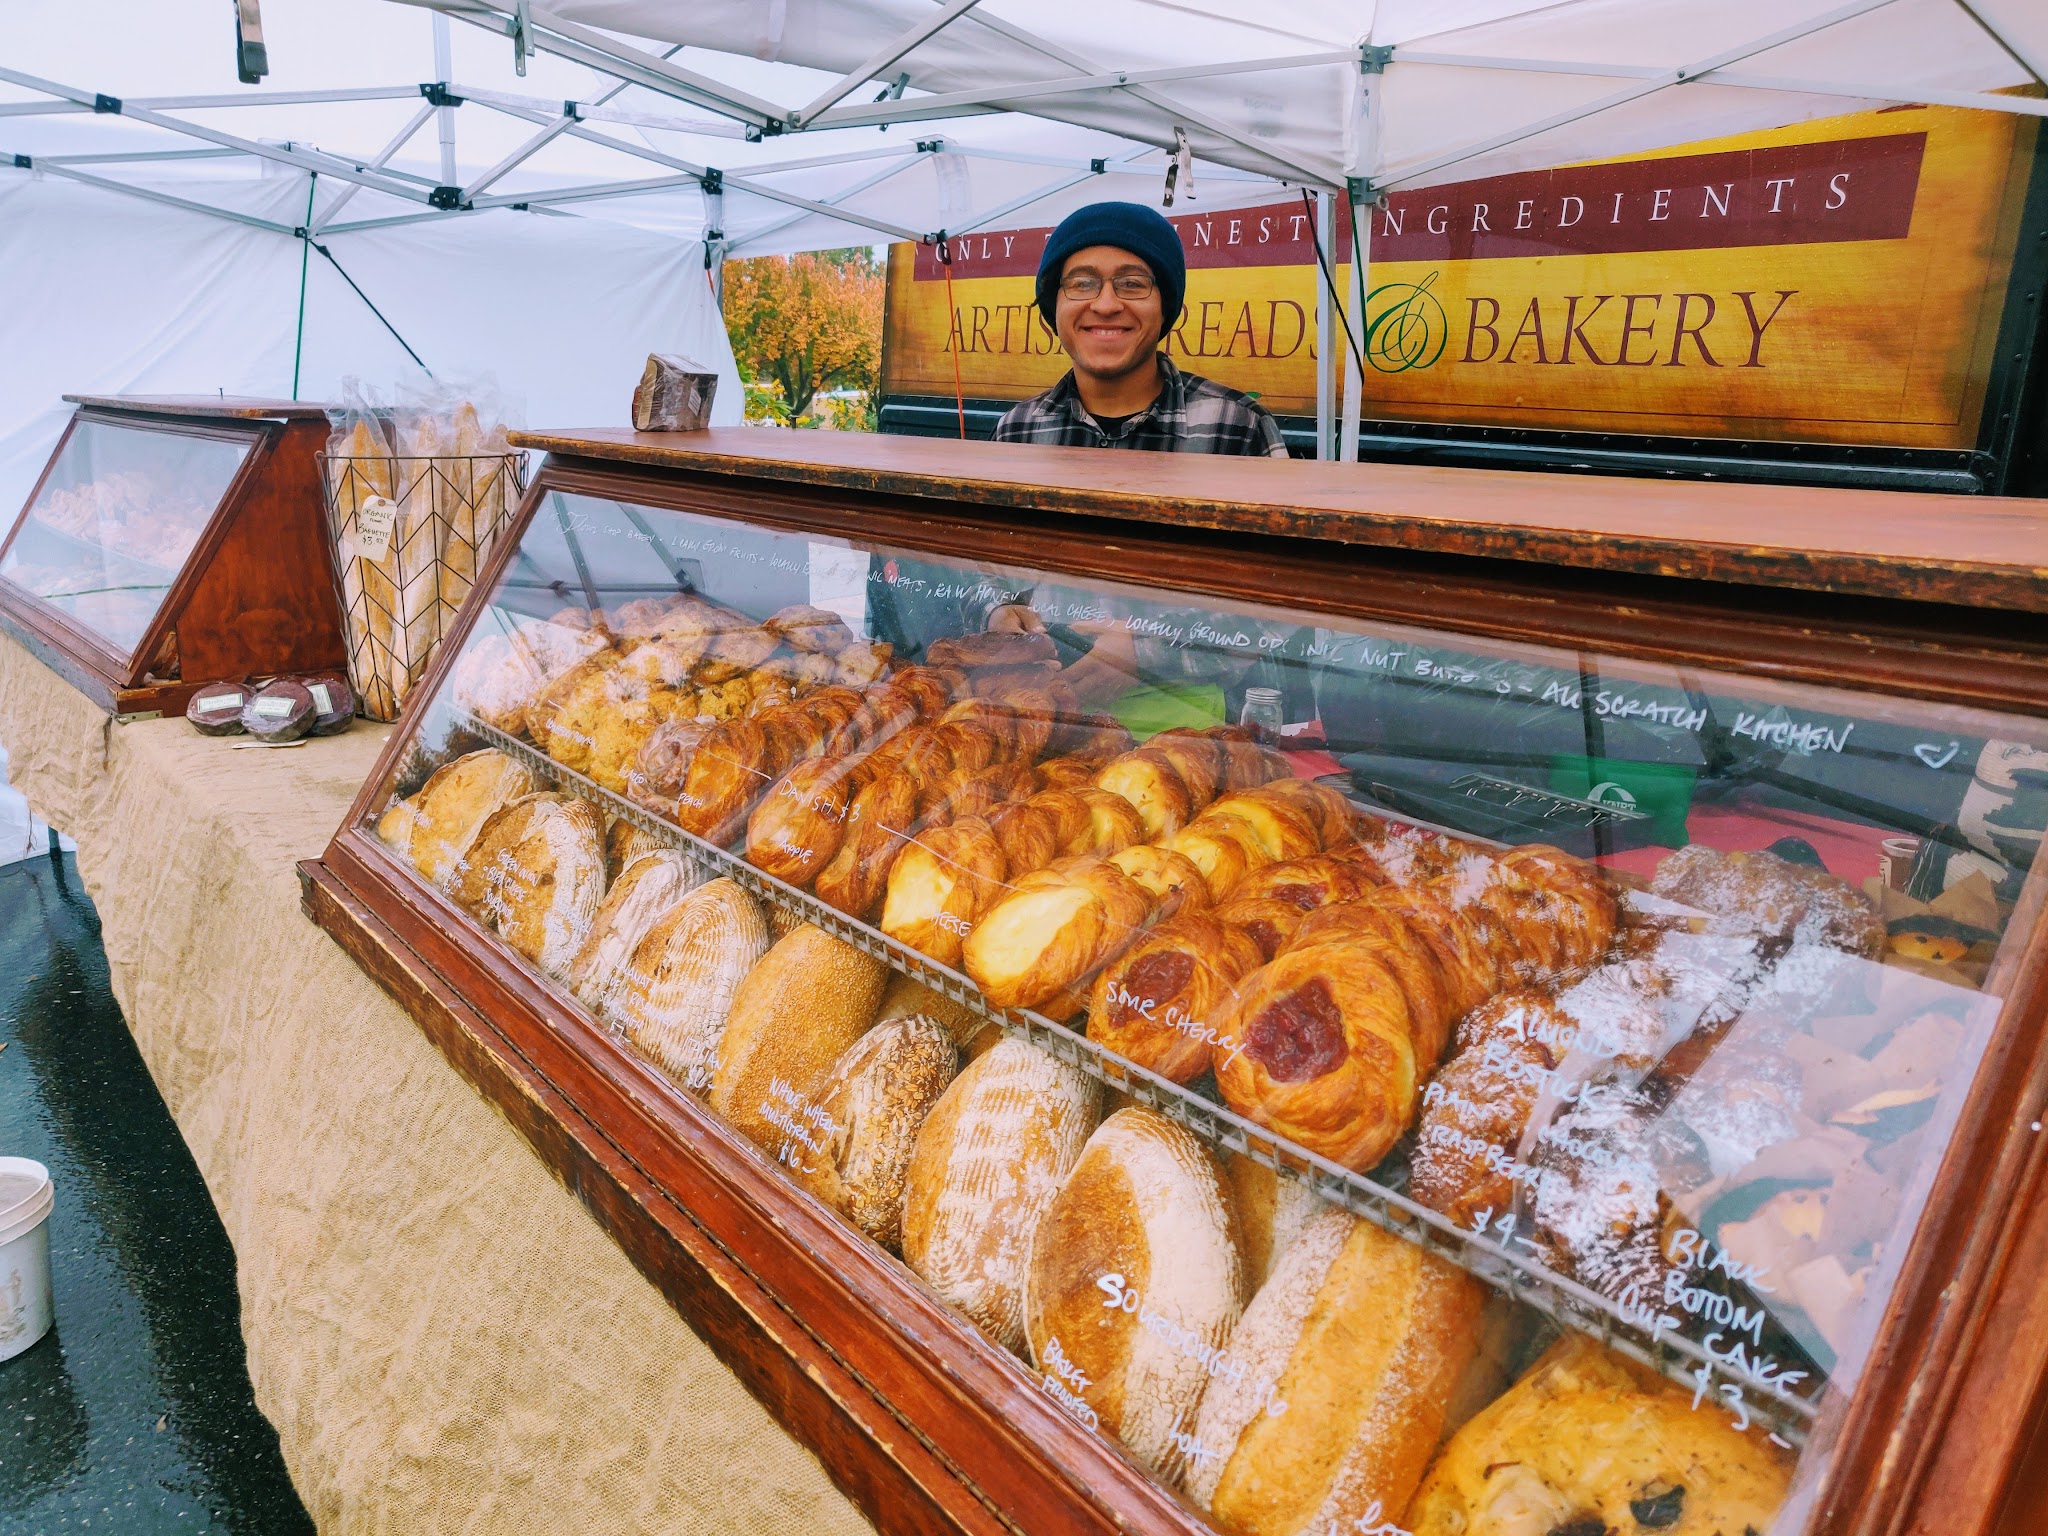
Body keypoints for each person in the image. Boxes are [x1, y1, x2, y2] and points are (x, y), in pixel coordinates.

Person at [991, 201, 1289, 456]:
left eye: (1132, 284)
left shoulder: (1240, 428)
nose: (1105, 305)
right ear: (1054, 305)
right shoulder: (1016, 430)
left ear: (1165, 308)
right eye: (1081, 284)